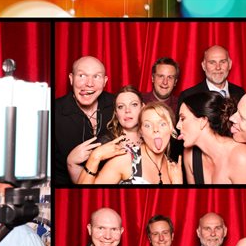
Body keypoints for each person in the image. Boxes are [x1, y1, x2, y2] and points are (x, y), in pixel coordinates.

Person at [78, 102, 182, 184]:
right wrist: (95, 156)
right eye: (148, 125)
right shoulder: (125, 160)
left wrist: (177, 183)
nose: (156, 129)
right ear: (141, 131)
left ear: (171, 129)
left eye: (162, 124)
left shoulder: (173, 168)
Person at [177, 92, 246, 184]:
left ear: (203, 121)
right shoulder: (189, 155)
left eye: (183, 119)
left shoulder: (242, 157)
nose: (178, 126)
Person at [54, 56, 115, 185]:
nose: (89, 83)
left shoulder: (117, 105)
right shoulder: (54, 111)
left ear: (105, 81)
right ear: (71, 79)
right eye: (82, 75)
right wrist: (71, 162)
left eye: (96, 76)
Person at [73, 86, 142, 183]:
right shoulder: (105, 142)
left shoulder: (152, 136)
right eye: (121, 107)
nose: (127, 110)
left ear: (143, 107)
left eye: (134, 104)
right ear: (116, 113)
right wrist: (72, 163)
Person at [178, 45, 245, 106]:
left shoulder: (240, 93)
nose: (218, 67)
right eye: (212, 62)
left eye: (222, 62)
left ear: (230, 64)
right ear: (204, 66)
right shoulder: (189, 96)